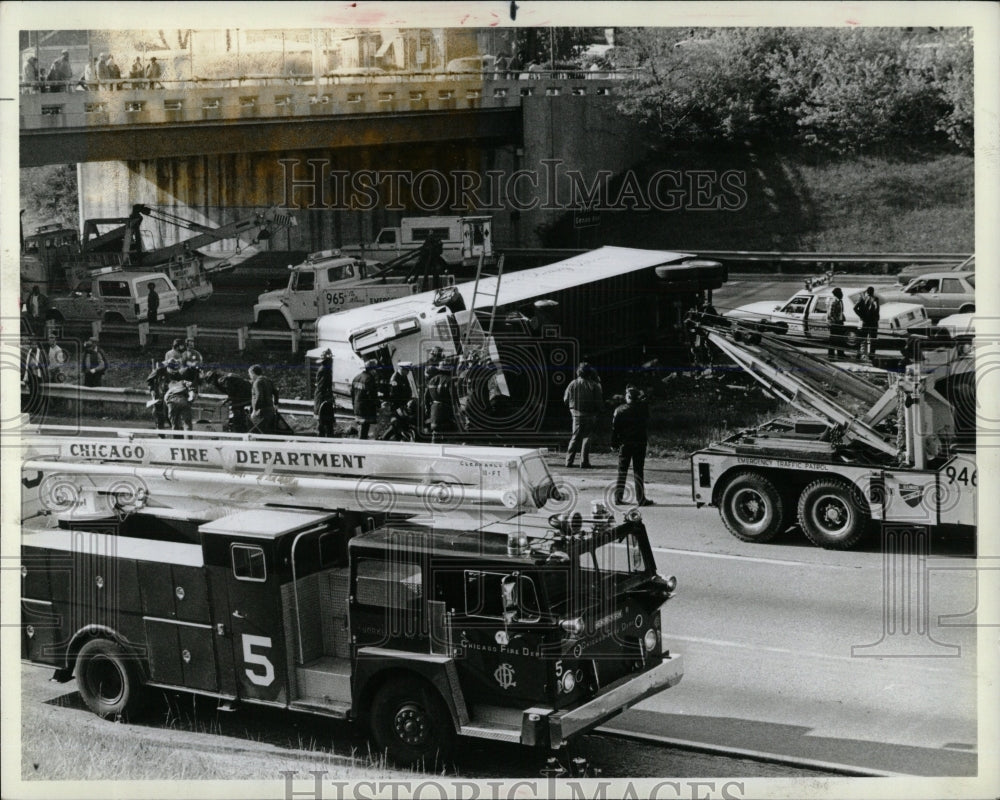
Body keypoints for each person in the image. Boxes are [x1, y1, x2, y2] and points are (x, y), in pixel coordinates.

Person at [611, 385, 653, 507]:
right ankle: (641, 498)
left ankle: (618, 497)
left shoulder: (619, 410)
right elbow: (647, 418)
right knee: (638, 470)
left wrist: (614, 443)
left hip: (625, 443)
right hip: (640, 442)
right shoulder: (643, 409)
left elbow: (615, 429)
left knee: (622, 470)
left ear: (628, 397)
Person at [563, 363, 604, 468]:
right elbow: (599, 402)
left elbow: (566, 399)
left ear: (578, 372)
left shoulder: (573, 383)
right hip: (590, 414)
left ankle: (568, 461)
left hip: (576, 414)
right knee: (587, 437)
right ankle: (584, 462)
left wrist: (572, 408)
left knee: (575, 437)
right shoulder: (594, 385)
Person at [424, 362, 455, 442]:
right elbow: (453, 398)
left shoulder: (431, 380)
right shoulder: (449, 380)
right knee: (450, 436)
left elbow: (426, 398)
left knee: (435, 434)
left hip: (434, 412)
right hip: (446, 412)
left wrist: (428, 410)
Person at [351, 359, 380, 439]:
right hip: (366, 410)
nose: (376, 371)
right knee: (364, 429)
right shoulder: (370, 379)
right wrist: (378, 404)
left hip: (357, 407)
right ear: (372, 369)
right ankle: (361, 446)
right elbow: (372, 395)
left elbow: (352, 393)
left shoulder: (356, 377)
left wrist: (354, 405)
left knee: (361, 428)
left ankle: (360, 443)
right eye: (375, 369)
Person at [163, 365, 196, 434]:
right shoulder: (183, 382)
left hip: (171, 401)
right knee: (187, 424)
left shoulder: (169, 385)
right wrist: (190, 400)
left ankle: (177, 441)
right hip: (183, 400)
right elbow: (191, 391)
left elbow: (165, 397)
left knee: (174, 424)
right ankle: (188, 441)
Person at [248, 364, 279, 434]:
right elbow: (276, 392)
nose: (249, 376)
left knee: (257, 432)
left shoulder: (257, 382)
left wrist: (254, 410)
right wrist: (276, 404)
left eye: (249, 374)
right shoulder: (268, 380)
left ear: (253, 373)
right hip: (270, 409)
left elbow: (259, 396)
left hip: (261, 411)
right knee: (268, 432)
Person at [853, 286, 881, 361]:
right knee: (873, 340)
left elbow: (855, 308)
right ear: (873, 292)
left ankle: (858, 355)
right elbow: (877, 309)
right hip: (873, 322)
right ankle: (871, 356)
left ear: (867, 292)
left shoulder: (862, 298)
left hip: (865, 322)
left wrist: (861, 316)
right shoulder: (875, 299)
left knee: (862, 339)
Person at [314, 350, 336, 438]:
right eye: (330, 359)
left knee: (326, 420)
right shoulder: (324, 370)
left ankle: (325, 436)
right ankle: (322, 438)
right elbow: (322, 387)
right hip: (323, 398)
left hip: (324, 397)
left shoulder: (326, 369)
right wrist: (328, 398)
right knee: (323, 420)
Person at [146, 360, 172, 433]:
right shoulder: (159, 370)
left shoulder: (177, 371)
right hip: (159, 393)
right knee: (158, 411)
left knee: (169, 412)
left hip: (170, 393)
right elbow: (149, 381)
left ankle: (176, 430)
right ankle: (160, 429)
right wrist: (152, 390)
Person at [826, 287, 847, 358]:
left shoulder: (840, 301)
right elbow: (831, 314)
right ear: (838, 293)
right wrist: (836, 322)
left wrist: (842, 318)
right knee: (833, 340)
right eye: (841, 293)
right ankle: (831, 355)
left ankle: (840, 354)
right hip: (835, 324)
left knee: (840, 340)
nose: (842, 294)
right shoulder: (834, 301)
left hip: (839, 322)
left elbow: (840, 312)